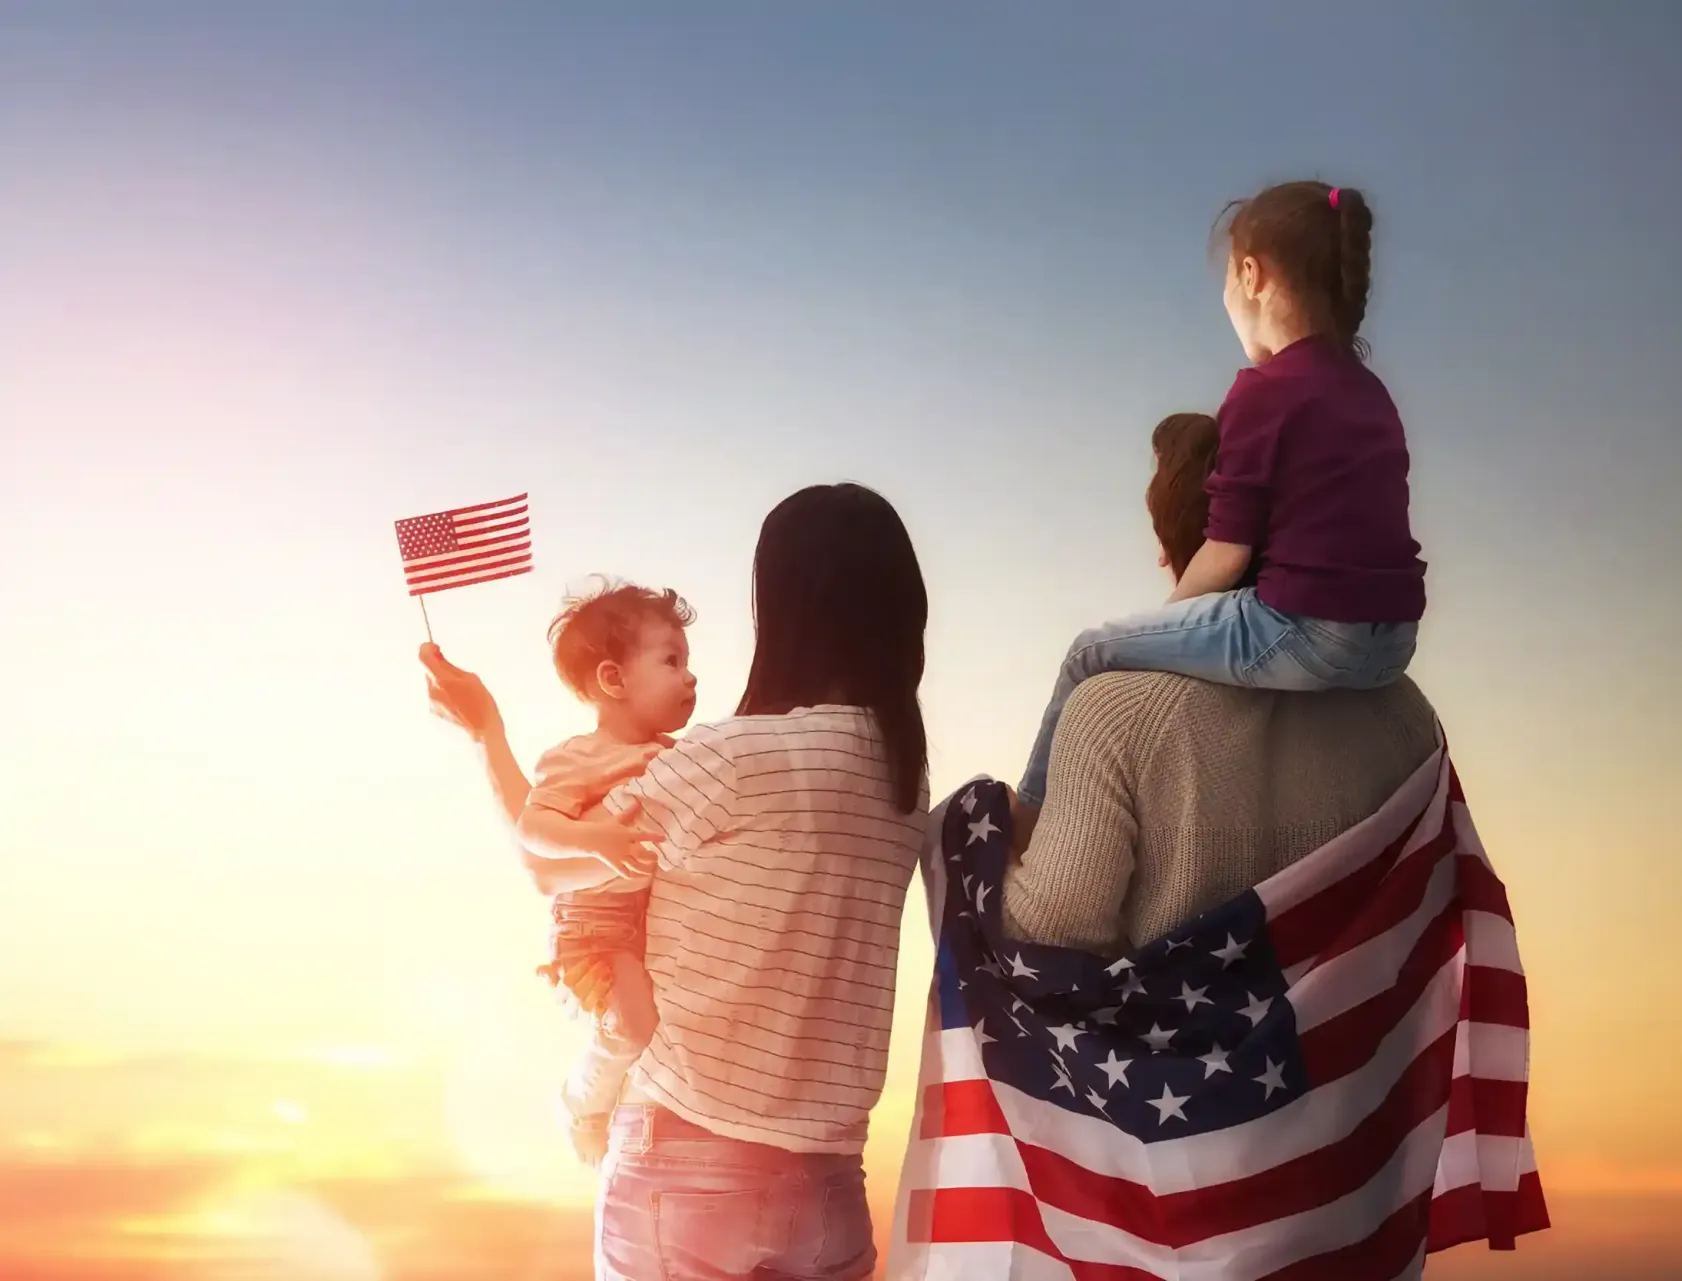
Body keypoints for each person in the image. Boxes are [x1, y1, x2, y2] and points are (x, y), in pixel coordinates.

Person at [422, 483, 929, 1281]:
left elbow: (550, 863)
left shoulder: (727, 759)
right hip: (831, 1183)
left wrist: (485, 730)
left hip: (689, 1169)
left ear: (784, 610)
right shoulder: (903, 784)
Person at [1015, 181, 1428, 813]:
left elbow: (1228, 554)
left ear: (1250, 274)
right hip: (1393, 646)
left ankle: (1024, 827)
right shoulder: (1372, 393)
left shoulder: (1261, 390)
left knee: (1088, 653)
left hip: (1309, 633)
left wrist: (1165, 621)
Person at [1000, 410, 1439, 954]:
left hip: (1181, 1040)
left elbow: (1052, 931)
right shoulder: (1406, 712)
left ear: (1166, 546)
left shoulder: (1108, 713)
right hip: (1357, 1041)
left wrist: (973, 851)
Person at [515, 579, 698, 1167]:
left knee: (656, 1032)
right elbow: (533, 826)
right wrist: (597, 841)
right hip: (591, 927)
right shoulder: (579, 756)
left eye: (688, 662)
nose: (690, 677)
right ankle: (581, 1103)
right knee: (633, 1028)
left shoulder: (676, 755)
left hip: (642, 925)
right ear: (614, 681)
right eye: (671, 661)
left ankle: (620, 1110)